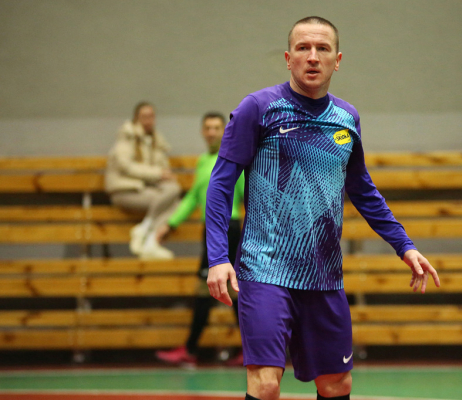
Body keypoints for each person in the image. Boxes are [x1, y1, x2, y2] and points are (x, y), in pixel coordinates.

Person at [205, 16, 441, 400]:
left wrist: (405, 245)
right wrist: (218, 258)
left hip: (324, 276)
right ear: (288, 58)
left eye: (322, 48)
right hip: (265, 270)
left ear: (337, 60)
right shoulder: (259, 108)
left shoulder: (347, 119)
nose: (312, 57)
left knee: (336, 384)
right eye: (303, 48)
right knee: (265, 383)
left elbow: (363, 190)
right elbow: (220, 185)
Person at [154, 112, 245, 366]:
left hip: (229, 228)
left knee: (227, 289)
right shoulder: (203, 161)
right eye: (208, 127)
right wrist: (170, 224)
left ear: (225, 131)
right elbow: (194, 196)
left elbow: (246, 196)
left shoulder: (233, 159)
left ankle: (196, 348)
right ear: (203, 132)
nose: (212, 132)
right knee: (213, 289)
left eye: (217, 127)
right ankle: (196, 348)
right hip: (210, 229)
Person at [105, 102, 181, 260]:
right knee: (172, 203)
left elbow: (161, 166)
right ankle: (150, 239)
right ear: (136, 118)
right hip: (124, 190)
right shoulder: (127, 137)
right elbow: (126, 166)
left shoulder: (155, 140)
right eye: (144, 117)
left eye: (151, 116)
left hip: (144, 189)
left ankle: (146, 234)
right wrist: (159, 174)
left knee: (174, 192)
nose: (148, 120)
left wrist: (165, 175)